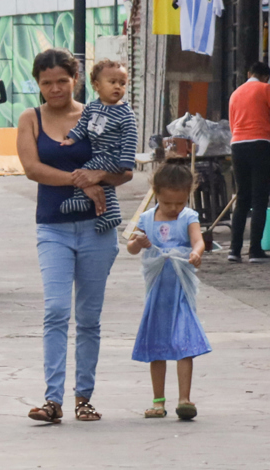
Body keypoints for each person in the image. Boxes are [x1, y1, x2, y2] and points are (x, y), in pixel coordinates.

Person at [17, 48, 133, 423]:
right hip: (53, 227)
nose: (55, 89)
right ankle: (52, 400)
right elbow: (33, 169)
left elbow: (123, 169)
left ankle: (84, 397)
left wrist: (100, 177)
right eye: (47, 82)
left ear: (76, 81)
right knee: (55, 310)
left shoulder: (99, 113)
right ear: (38, 83)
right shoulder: (30, 119)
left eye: (62, 81)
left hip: (97, 229)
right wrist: (80, 181)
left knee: (88, 317)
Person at [126, 161, 211, 421]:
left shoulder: (188, 217)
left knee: (184, 344)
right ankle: (158, 401)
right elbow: (131, 246)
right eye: (168, 204)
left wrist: (196, 253)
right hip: (157, 295)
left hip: (181, 293)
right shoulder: (146, 219)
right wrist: (137, 243)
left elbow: (198, 241)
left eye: (180, 203)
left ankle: (184, 398)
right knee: (157, 345)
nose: (174, 209)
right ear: (156, 193)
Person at [59, 59, 137, 232]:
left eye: (122, 83)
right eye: (112, 82)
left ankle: (79, 199)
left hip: (113, 157)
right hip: (99, 154)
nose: (118, 87)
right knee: (104, 185)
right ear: (96, 85)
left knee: (85, 171)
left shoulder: (125, 113)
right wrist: (71, 139)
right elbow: (82, 127)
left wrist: (126, 163)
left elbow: (130, 138)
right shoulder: (91, 108)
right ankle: (111, 215)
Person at [227, 61, 270, 263]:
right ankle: (255, 251)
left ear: (248, 73)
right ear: (265, 77)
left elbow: (232, 123)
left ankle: (234, 251)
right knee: (260, 198)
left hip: (237, 145)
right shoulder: (265, 89)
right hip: (260, 143)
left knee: (242, 197)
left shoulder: (235, 94)